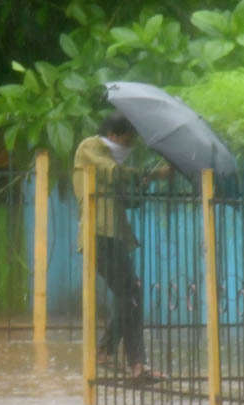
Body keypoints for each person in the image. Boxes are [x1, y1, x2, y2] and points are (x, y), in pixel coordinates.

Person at [72, 111, 169, 381]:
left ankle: (106, 351)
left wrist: (144, 183)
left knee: (130, 292)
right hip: (98, 234)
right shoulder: (90, 147)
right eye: (128, 141)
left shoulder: (116, 160)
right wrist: (151, 174)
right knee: (130, 292)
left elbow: (129, 201)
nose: (130, 148)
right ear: (114, 135)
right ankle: (136, 364)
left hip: (114, 235)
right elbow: (112, 173)